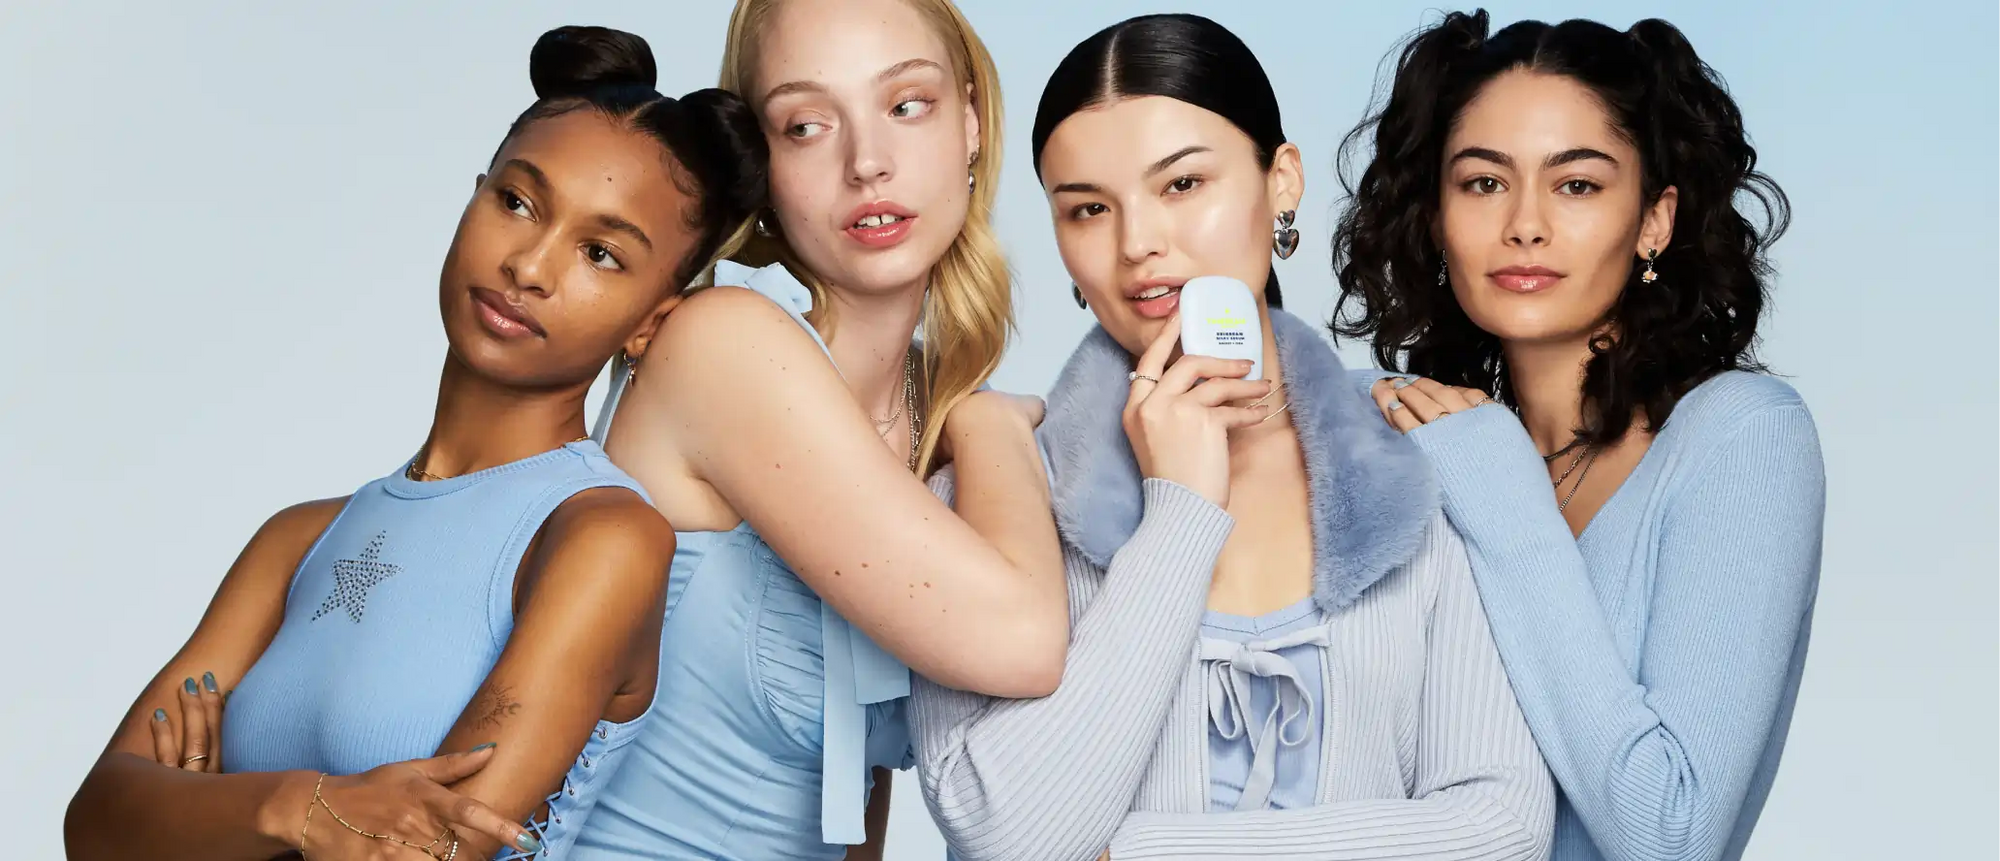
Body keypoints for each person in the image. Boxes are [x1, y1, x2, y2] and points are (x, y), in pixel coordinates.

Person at [63, 26, 765, 861]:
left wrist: (204, 811)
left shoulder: (601, 537)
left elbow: (427, 851)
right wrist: (300, 806)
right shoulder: (299, 539)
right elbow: (95, 820)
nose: (531, 266)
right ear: (472, 196)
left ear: (651, 321)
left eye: (601, 253)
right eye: (517, 201)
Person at [908, 14, 1554, 861]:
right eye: (1089, 208)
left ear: (1281, 179)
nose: (1138, 243)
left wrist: (1144, 853)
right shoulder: (986, 489)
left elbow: (1501, 830)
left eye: (1181, 185)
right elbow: (1006, 836)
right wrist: (1178, 513)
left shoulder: (1416, 458)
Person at [569, 1, 1066, 859]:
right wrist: (991, 424)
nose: (868, 163)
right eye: (805, 125)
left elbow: (848, 803)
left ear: (972, 124)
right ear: (761, 164)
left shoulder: (917, 408)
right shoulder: (726, 343)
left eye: (907, 106)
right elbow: (1023, 643)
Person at [1331, 11, 1825, 861]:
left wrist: (1504, 499)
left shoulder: (1742, 440)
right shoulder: (1425, 445)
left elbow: (1669, 833)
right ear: (1436, 215)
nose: (1525, 224)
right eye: (1483, 182)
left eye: (1577, 185)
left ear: (1654, 221)